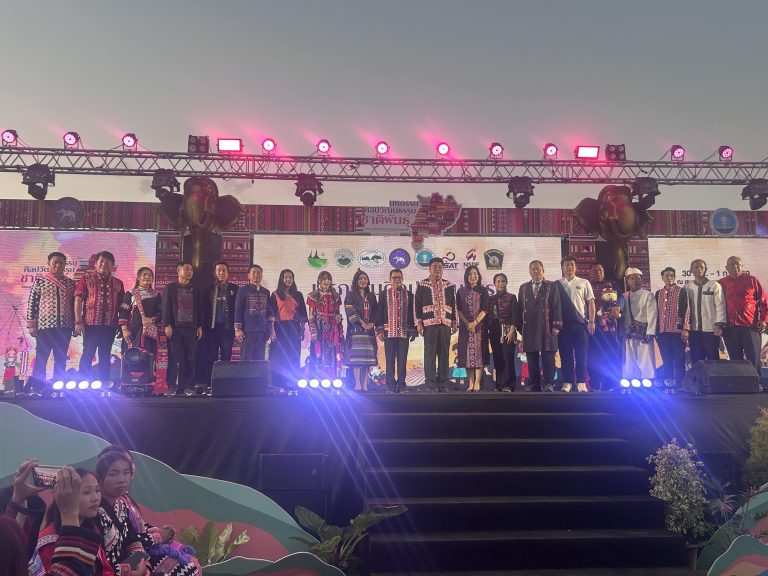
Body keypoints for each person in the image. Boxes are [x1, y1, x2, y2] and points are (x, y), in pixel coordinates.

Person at [95, 447, 200, 576]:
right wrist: (129, 571)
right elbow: (96, 566)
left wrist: (142, 563)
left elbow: (133, 540)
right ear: (99, 478)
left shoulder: (121, 505)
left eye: (126, 472)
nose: (121, 479)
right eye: (113, 474)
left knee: (190, 568)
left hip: (131, 565)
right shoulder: (94, 512)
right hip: (113, 571)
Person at [35, 467, 125, 576]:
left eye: (97, 490)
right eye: (86, 492)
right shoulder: (49, 542)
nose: (95, 498)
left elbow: (106, 570)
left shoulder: (91, 529)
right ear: (66, 496)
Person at [74, 251, 125, 384]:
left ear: (113, 265)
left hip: (110, 325)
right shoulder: (86, 278)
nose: (104, 264)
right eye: (101, 261)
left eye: (108, 262)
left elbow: (122, 306)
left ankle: (104, 382)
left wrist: (121, 325)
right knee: (88, 353)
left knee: (105, 354)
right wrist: (78, 321)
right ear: (96, 263)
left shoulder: (118, 283)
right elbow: (78, 299)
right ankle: (82, 382)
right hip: (91, 324)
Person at [26, 252, 76, 386]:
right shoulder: (40, 281)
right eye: (55, 263)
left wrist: (75, 323)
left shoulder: (71, 283)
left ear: (65, 265)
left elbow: (75, 306)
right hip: (44, 328)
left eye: (61, 263)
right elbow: (32, 303)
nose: (58, 265)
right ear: (49, 264)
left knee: (61, 358)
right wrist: (31, 324)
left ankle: (57, 386)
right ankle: (37, 387)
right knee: (41, 358)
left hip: (65, 327)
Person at [516, 260, 562, 392]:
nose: (536, 271)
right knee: (531, 357)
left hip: (547, 325)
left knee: (548, 357)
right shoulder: (523, 287)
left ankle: (548, 384)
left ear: (543, 271)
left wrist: (557, 324)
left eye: (538, 269)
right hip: (529, 326)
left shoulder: (551, 285)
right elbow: (520, 308)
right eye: (533, 269)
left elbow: (556, 305)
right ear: (530, 272)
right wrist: (519, 326)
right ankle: (533, 384)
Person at [415, 258, 457, 392]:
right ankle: (430, 384)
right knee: (430, 355)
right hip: (429, 324)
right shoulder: (422, 285)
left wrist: (454, 322)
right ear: (429, 268)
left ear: (443, 269)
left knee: (444, 354)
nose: (437, 269)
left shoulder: (449, 285)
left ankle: (443, 384)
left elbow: (454, 304)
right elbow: (417, 305)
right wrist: (419, 323)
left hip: (445, 323)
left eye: (440, 267)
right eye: (434, 267)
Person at [719, 256, 768, 372]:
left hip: (750, 327)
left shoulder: (752, 280)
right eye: (731, 264)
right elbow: (717, 305)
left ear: (742, 266)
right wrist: (719, 325)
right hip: (730, 328)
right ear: (726, 268)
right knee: (735, 361)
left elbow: (764, 302)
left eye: (737, 264)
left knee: (753, 359)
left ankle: (756, 382)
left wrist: (764, 320)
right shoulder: (721, 283)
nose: (734, 266)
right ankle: (738, 382)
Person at [162, 261, 203, 395]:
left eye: (191, 270)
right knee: (175, 358)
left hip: (191, 328)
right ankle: (172, 386)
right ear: (178, 271)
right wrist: (167, 324)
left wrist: (199, 326)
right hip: (175, 329)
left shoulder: (196, 289)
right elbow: (166, 307)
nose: (189, 272)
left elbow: (199, 309)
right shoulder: (170, 288)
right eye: (186, 269)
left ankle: (189, 386)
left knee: (191, 358)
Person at [557, 256, 595, 393]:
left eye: (572, 264)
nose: (569, 267)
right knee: (565, 355)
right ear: (562, 267)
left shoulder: (584, 282)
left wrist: (592, 321)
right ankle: (567, 382)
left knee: (581, 355)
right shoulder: (557, 284)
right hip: (563, 326)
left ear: (576, 267)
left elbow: (591, 302)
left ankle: (581, 382)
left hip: (580, 325)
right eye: (567, 265)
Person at [376, 268, 416, 393]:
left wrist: (413, 330)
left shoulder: (409, 295)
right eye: (394, 277)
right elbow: (380, 313)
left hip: (404, 333)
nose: (397, 280)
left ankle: (402, 386)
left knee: (402, 361)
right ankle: (390, 387)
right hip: (389, 332)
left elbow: (412, 314)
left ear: (402, 279)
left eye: (399, 277)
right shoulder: (384, 294)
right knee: (389, 361)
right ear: (389, 279)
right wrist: (379, 330)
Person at [201, 262, 238, 385]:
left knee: (226, 355)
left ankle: (225, 383)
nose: (221, 273)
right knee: (211, 355)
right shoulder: (207, 289)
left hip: (227, 329)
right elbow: (202, 309)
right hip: (211, 328)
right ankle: (210, 383)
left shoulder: (235, 289)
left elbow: (238, 309)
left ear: (228, 273)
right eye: (219, 270)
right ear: (214, 273)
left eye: (224, 270)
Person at [269, 269, 308, 389]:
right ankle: (278, 383)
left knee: (294, 354)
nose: (288, 279)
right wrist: (272, 331)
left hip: (294, 328)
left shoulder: (298, 294)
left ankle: (293, 383)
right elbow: (271, 314)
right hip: (280, 328)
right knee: (279, 356)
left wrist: (302, 330)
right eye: (285, 277)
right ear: (282, 279)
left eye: (290, 277)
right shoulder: (275, 294)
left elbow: (302, 314)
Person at [588, 263, 624, 391]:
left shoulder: (612, 284)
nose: (598, 272)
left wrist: (619, 307)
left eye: (600, 270)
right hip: (592, 326)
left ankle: (610, 384)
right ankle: (594, 383)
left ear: (603, 273)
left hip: (610, 328)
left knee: (611, 354)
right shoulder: (587, 285)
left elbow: (621, 298)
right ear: (589, 273)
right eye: (595, 270)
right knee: (593, 355)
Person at [654, 267, 690, 390]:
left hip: (677, 331)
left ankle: (680, 383)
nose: (669, 278)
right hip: (663, 331)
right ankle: (668, 382)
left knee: (679, 357)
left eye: (671, 276)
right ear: (662, 278)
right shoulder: (658, 293)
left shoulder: (682, 291)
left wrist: (685, 328)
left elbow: (687, 310)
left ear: (674, 277)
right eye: (666, 276)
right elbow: (655, 313)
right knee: (666, 357)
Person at [684, 259, 726, 362]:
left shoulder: (714, 285)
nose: (699, 269)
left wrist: (719, 324)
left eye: (701, 267)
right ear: (691, 270)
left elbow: (720, 305)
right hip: (694, 330)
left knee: (713, 358)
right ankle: (698, 374)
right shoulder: (687, 287)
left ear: (706, 269)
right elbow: (684, 309)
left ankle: (714, 374)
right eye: (696, 267)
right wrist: (685, 327)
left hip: (711, 330)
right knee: (696, 359)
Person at [344, 270, 378, 391]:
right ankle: (357, 383)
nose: (363, 281)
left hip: (369, 332)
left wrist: (372, 323)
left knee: (367, 359)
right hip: (356, 330)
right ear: (356, 281)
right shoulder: (351, 295)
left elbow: (376, 311)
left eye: (365, 278)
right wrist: (362, 323)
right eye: (360, 279)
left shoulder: (371, 295)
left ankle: (365, 384)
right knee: (357, 360)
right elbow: (350, 312)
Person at [456, 265, 489, 392]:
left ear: (478, 276)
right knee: (467, 356)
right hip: (465, 328)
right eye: (470, 274)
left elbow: (485, 309)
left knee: (479, 355)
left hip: (480, 328)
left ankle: (477, 382)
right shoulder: (460, 291)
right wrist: (467, 323)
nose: (473, 276)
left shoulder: (483, 291)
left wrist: (474, 323)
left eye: (475, 274)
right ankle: (470, 383)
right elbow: (459, 310)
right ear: (466, 276)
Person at [622, 268, 658, 382]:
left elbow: (652, 314)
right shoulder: (624, 296)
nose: (635, 281)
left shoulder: (648, 295)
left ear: (642, 280)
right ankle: (629, 382)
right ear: (627, 281)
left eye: (637, 278)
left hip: (643, 332)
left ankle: (648, 381)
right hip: (628, 333)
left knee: (646, 359)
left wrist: (650, 331)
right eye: (632, 278)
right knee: (629, 359)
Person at [306, 271, 344, 378]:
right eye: (324, 279)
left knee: (332, 354)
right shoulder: (313, 295)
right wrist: (313, 331)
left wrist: (338, 329)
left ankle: (332, 379)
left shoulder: (336, 296)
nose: (326, 281)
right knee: (317, 354)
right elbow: (311, 316)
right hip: (319, 328)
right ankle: (316, 380)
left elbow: (337, 314)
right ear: (319, 280)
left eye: (328, 279)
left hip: (332, 330)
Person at [234, 265, 275, 362]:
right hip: (247, 331)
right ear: (249, 275)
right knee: (246, 359)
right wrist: (238, 329)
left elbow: (269, 312)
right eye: (254, 273)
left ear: (261, 275)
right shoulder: (242, 290)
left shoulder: (266, 292)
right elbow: (238, 309)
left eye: (259, 273)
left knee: (259, 360)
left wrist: (270, 330)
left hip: (262, 331)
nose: (256, 275)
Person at [118, 268, 162, 359]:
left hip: (150, 332)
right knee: (132, 357)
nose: (147, 277)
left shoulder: (157, 295)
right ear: (138, 277)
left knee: (149, 357)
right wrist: (124, 330)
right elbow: (123, 312)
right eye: (144, 274)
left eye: (150, 275)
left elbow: (160, 313)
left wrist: (152, 319)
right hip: (133, 331)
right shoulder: (130, 294)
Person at [487, 273, 517, 392]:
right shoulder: (490, 299)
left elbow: (515, 315)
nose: (500, 284)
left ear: (506, 283)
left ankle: (508, 385)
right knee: (497, 357)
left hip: (508, 329)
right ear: (494, 284)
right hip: (494, 330)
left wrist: (512, 330)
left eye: (503, 281)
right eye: (498, 281)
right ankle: (499, 385)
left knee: (507, 357)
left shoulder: (512, 297)